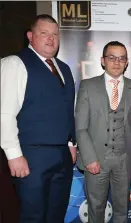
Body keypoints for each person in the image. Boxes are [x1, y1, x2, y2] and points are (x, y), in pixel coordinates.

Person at [0, 14, 77, 223]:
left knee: (56, 216)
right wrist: (14, 154)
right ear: (30, 36)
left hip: (62, 156)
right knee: (33, 217)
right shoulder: (14, 64)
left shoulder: (65, 69)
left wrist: (71, 143)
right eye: (44, 33)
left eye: (55, 34)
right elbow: (4, 113)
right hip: (31, 157)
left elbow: (67, 110)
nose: (51, 39)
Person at [75, 41, 131, 223]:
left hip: (124, 160)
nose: (116, 62)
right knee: (96, 208)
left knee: (122, 209)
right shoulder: (87, 86)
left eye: (121, 58)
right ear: (102, 60)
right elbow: (80, 126)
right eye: (111, 57)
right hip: (96, 159)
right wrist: (89, 158)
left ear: (127, 62)